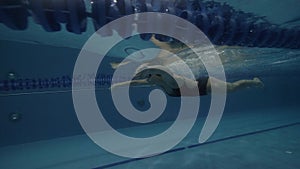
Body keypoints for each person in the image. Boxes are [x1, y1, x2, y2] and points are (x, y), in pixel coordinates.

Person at [110, 35, 264, 97]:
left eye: (148, 72)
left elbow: (164, 73)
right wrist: (121, 85)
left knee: (231, 88)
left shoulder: (168, 76)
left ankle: (253, 82)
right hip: (184, 89)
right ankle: (252, 82)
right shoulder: (153, 78)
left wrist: (145, 70)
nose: (148, 78)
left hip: (199, 85)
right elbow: (138, 82)